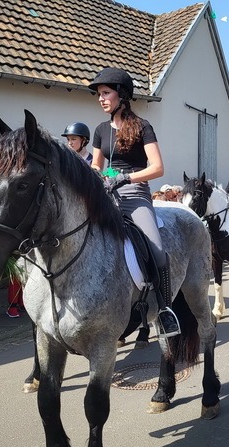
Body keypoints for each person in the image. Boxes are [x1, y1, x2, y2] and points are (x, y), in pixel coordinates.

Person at [89, 67, 180, 338]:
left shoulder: (142, 126)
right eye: (99, 94)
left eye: (105, 93)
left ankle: (165, 311)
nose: (100, 98)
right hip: (106, 195)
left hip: (135, 195)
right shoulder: (100, 130)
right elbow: (96, 166)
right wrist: (106, 176)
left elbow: (158, 167)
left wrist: (126, 178)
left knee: (158, 251)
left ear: (122, 95)